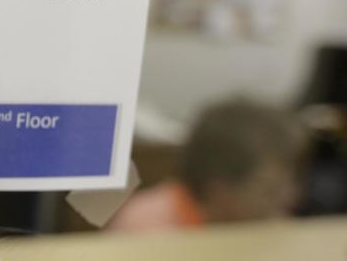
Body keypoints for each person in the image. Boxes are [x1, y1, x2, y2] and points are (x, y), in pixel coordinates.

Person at [109, 99, 306, 232]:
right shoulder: (149, 231)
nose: (291, 197)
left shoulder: (256, 222)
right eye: (270, 191)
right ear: (219, 193)